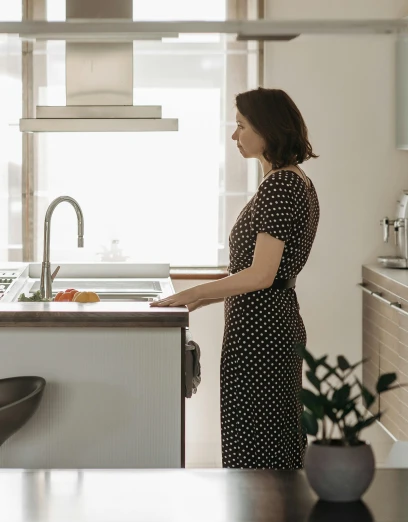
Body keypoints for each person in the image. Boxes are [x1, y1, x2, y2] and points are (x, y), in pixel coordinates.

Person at [151, 87, 320, 469]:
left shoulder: (281, 186)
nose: (234, 135)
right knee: (270, 443)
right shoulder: (293, 181)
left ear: (268, 129)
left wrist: (194, 291)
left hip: (261, 336)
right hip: (267, 327)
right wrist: (196, 299)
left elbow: (261, 275)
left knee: (258, 450)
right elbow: (261, 274)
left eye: (241, 125)